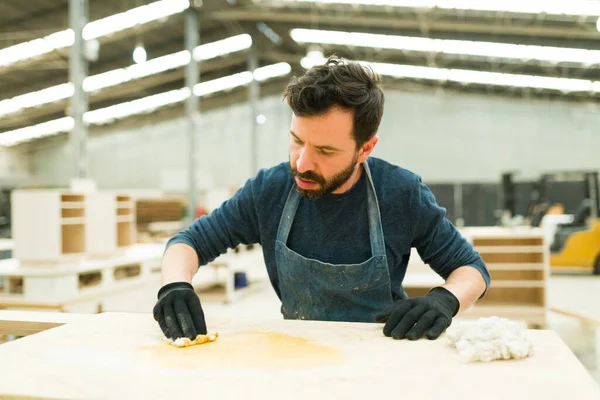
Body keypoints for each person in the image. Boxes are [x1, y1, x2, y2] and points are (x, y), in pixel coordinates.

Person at [153, 56, 490, 342]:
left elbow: (471, 270)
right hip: (298, 352)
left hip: (382, 354)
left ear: (365, 148)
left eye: (326, 151)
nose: (302, 163)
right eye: (297, 141)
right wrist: (174, 285)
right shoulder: (268, 191)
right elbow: (189, 243)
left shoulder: (400, 193)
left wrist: (446, 299)